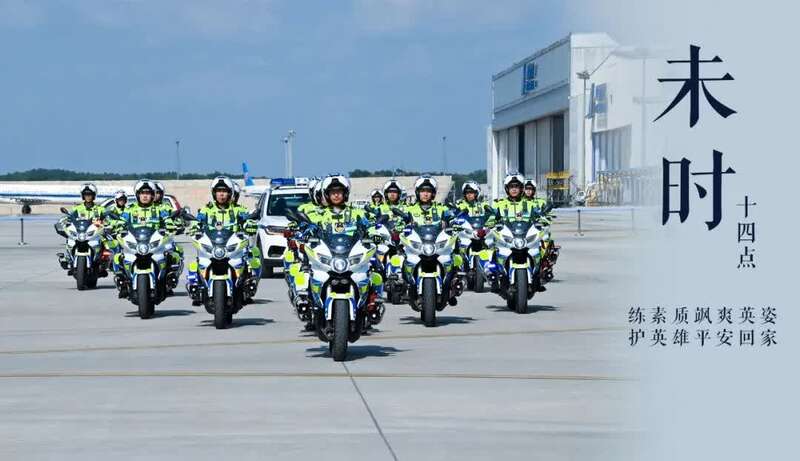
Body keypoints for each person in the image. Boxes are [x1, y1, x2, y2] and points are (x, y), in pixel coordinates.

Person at [186, 177, 261, 305]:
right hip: (213, 244)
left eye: (225, 191)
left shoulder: (239, 209)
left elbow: (248, 219)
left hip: (232, 245)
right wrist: (194, 226)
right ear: (214, 193)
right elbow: (197, 221)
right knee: (196, 262)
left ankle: (246, 286)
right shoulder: (206, 209)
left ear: (230, 193)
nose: (221, 194)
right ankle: (196, 287)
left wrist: (250, 225)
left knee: (249, 261)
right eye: (219, 191)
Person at [112, 180, 179, 298]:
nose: (145, 196)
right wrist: (116, 227)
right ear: (137, 195)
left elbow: (168, 220)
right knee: (118, 257)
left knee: (172, 256)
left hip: (154, 243)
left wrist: (171, 226)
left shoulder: (159, 210)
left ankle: (167, 281)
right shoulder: (130, 209)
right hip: (136, 242)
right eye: (142, 193)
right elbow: (121, 221)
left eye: (148, 193)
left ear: (153, 195)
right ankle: (123, 284)